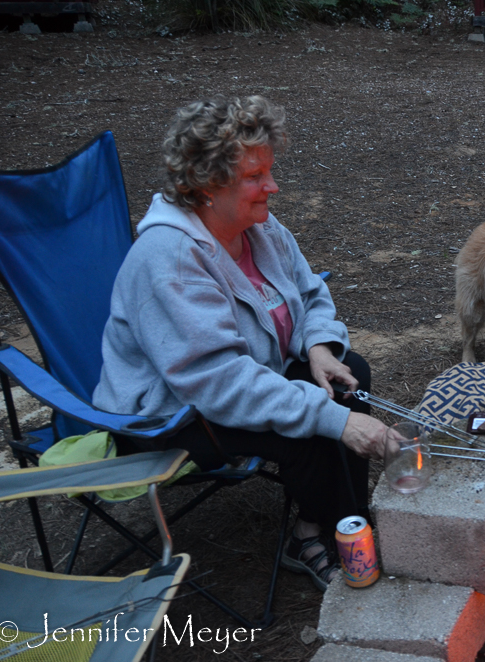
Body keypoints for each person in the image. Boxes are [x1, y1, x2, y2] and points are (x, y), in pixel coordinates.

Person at [93, 94, 391, 591]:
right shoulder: (169, 258)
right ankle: (337, 539)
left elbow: (310, 291)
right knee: (313, 428)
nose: (272, 186)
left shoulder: (260, 227)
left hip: (241, 379)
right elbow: (219, 382)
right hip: (170, 415)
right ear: (208, 185)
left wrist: (318, 347)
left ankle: (326, 524)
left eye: (269, 172)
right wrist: (337, 422)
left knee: (348, 375)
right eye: (255, 177)